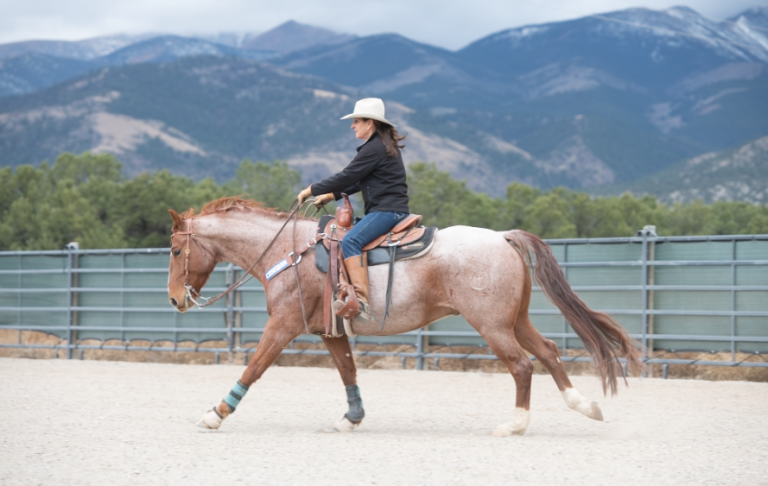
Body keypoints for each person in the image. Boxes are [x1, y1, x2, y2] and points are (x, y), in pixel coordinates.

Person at [297, 98, 409, 323]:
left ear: (370, 123)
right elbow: (359, 181)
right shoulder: (382, 146)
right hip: (391, 209)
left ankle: (360, 300)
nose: (352, 126)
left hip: (386, 211)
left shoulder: (373, 148)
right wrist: (331, 195)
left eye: (357, 121)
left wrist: (311, 189)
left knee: (350, 241)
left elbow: (347, 176)